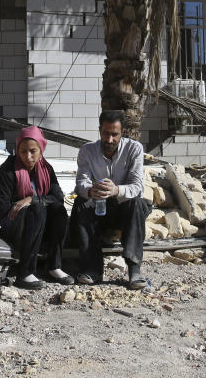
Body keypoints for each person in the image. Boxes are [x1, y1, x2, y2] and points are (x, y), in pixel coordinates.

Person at [0, 126, 74, 289]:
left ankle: (54, 266)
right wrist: (28, 206)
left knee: (58, 210)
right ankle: (25, 273)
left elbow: (58, 198)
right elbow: (0, 209)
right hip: (10, 225)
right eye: (23, 151)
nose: (28, 156)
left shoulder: (46, 169)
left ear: (41, 150)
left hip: (39, 225)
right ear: (17, 150)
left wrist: (32, 199)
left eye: (33, 151)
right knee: (38, 209)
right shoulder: (7, 171)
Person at [73, 110, 151, 290]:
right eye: (106, 133)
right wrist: (91, 191)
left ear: (122, 132)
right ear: (99, 131)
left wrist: (116, 190)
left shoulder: (134, 149)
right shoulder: (87, 150)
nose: (109, 139)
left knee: (137, 202)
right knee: (81, 203)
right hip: (98, 208)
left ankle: (134, 270)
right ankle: (91, 269)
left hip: (122, 209)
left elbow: (138, 186)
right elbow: (80, 183)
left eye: (114, 134)